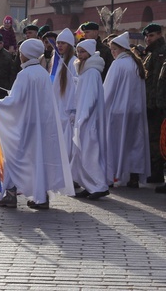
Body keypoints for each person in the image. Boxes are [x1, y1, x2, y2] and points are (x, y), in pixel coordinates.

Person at [0, 38, 74, 209]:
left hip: (26, 125)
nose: (19, 55)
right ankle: (42, 196)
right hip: (41, 125)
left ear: (27, 54)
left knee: (14, 157)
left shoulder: (24, 74)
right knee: (39, 158)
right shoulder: (42, 73)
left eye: (21, 52)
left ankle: (10, 194)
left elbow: (15, 102)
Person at [104, 32, 151, 188]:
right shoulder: (135, 64)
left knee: (116, 144)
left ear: (121, 49)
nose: (112, 52)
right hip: (135, 111)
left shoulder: (118, 64)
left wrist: (101, 106)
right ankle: (133, 175)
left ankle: (114, 174)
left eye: (114, 49)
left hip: (118, 111)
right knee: (134, 143)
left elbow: (108, 90)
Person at [70, 39, 109, 200]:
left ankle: (100, 185)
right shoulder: (85, 71)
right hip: (82, 118)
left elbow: (90, 98)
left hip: (88, 120)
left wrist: (83, 116)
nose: (80, 54)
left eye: (83, 51)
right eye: (78, 51)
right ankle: (89, 184)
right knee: (81, 153)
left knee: (89, 153)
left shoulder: (92, 72)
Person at [141, 23, 166, 185]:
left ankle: (157, 173)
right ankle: (154, 171)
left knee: (157, 139)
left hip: (158, 105)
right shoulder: (151, 54)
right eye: (147, 36)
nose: (148, 39)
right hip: (151, 103)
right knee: (153, 138)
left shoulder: (162, 52)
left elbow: (159, 83)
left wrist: (157, 104)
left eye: (151, 36)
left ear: (159, 35)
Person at [51, 28, 78, 159]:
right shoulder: (59, 62)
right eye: (58, 42)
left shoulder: (73, 62)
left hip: (67, 110)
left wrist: (73, 109)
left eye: (63, 43)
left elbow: (75, 88)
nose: (60, 45)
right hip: (59, 108)